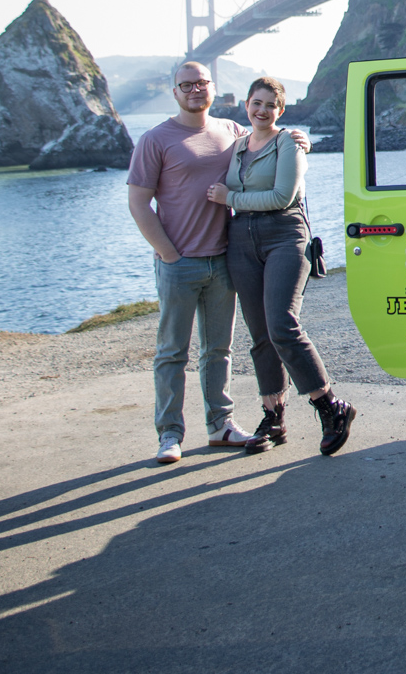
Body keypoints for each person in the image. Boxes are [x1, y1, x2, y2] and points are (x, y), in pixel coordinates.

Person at [126, 61, 310, 465]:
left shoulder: (232, 131)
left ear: (212, 87)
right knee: (172, 352)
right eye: (186, 84)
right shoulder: (155, 140)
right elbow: (138, 203)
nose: (195, 89)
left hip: (225, 258)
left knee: (218, 351)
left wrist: (298, 138)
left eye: (202, 83)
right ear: (174, 91)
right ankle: (170, 434)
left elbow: (267, 136)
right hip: (179, 262)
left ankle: (220, 425)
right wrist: (168, 252)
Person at [206, 77, 356, 457]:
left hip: (284, 235)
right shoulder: (238, 144)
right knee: (260, 335)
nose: (262, 110)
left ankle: (330, 406)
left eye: (270, 105)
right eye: (256, 103)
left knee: (282, 325)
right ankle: (273, 418)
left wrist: (229, 198)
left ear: (281, 110)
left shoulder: (289, 142)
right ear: (246, 105)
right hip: (241, 241)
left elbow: (281, 196)